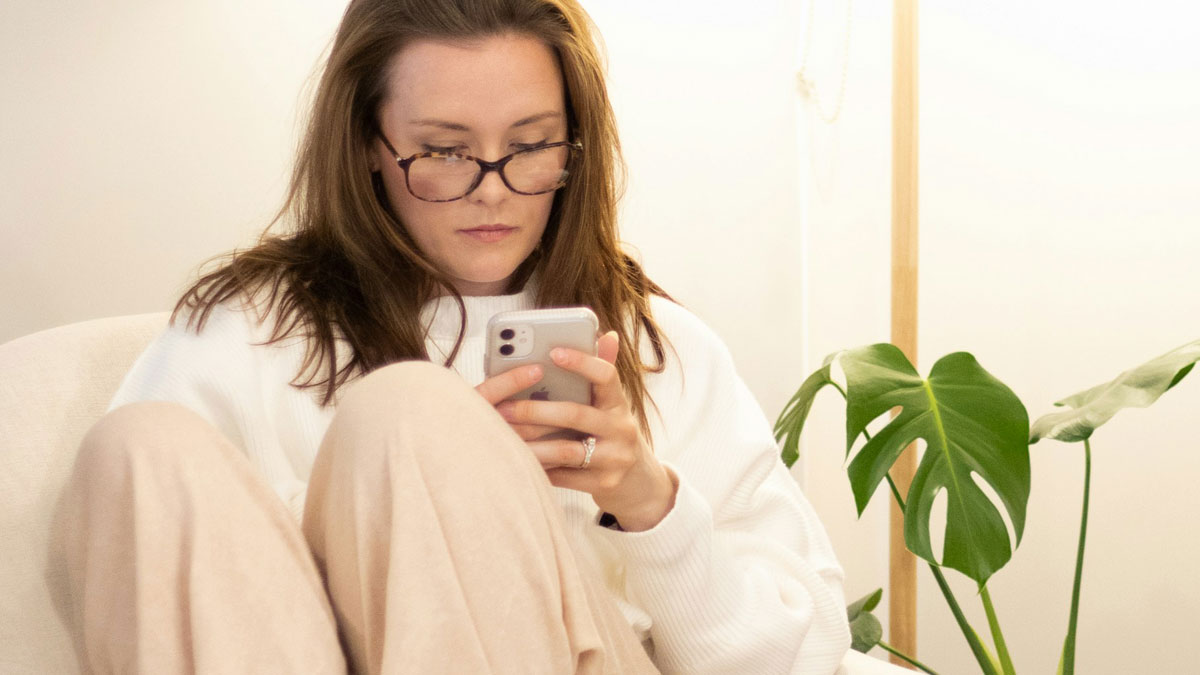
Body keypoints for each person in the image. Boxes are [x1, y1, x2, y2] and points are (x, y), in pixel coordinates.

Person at [54, 0, 851, 673]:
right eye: (443, 151)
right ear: (370, 143)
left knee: (411, 413)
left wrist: (648, 503)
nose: (492, 188)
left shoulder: (655, 347)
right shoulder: (249, 332)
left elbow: (810, 650)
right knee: (138, 447)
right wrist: (421, 498)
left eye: (532, 145)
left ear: (575, 143)